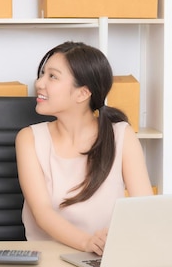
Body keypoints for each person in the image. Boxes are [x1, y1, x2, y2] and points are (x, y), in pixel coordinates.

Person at [15, 41, 153, 254]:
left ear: (83, 93)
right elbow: (42, 213)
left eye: (52, 76)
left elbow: (145, 209)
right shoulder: (29, 139)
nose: (39, 83)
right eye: (42, 74)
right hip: (47, 261)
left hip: (105, 257)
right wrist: (87, 243)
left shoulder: (121, 136)